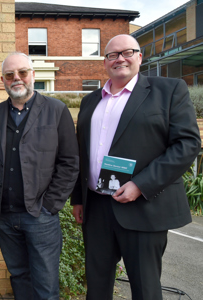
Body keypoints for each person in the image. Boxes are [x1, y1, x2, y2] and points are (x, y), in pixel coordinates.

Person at [71, 34, 201, 300]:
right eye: (112, 55)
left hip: (142, 206)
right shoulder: (90, 101)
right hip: (96, 207)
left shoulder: (169, 90)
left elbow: (187, 144)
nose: (120, 58)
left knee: (145, 287)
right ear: (105, 63)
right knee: (96, 285)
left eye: (127, 52)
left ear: (140, 57)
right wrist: (78, 199)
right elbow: (81, 153)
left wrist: (141, 185)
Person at [0, 52, 79, 300]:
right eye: (9, 75)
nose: (16, 78)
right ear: (3, 80)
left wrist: (50, 205)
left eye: (22, 73)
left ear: (33, 75)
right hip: (4, 216)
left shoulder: (56, 110)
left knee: (46, 286)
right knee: (19, 277)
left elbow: (70, 162)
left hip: (40, 216)